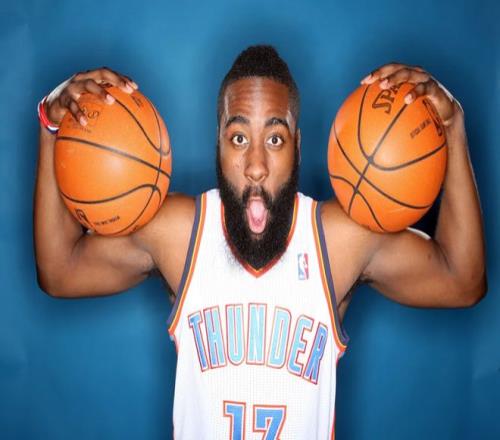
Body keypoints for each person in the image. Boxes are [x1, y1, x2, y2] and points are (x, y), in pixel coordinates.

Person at [34, 46, 487, 439]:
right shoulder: (180, 233)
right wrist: (51, 126)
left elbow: (463, 281)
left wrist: (452, 125)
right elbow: (60, 272)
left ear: (298, 147)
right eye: (238, 138)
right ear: (217, 144)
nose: (255, 165)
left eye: (274, 138)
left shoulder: (337, 240)